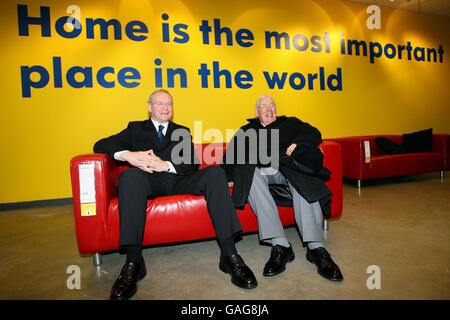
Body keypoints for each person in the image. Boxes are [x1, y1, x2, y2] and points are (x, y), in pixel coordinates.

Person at [93, 89, 257, 300]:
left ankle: (230, 254)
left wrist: (166, 165)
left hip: (178, 179)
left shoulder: (182, 131)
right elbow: (101, 144)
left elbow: (191, 163)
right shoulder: (135, 128)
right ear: (149, 107)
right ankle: (133, 263)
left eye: (169, 104)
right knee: (130, 178)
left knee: (215, 172)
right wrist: (129, 155)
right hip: (149, 181)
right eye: (159, 104)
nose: (165, 108)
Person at [221, 94, 343, 282]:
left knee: (301, 176)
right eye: (264, 106)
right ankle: (280, 244)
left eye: (272, 106)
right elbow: (231, 155)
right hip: (260, 171)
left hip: (286, 167)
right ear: (256, 112)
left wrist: (297, 144)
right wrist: (229, 177)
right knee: (247, 172)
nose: (269, 109)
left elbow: (314, 132)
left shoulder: (291, 123)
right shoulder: (246, 130)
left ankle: (316, 247)